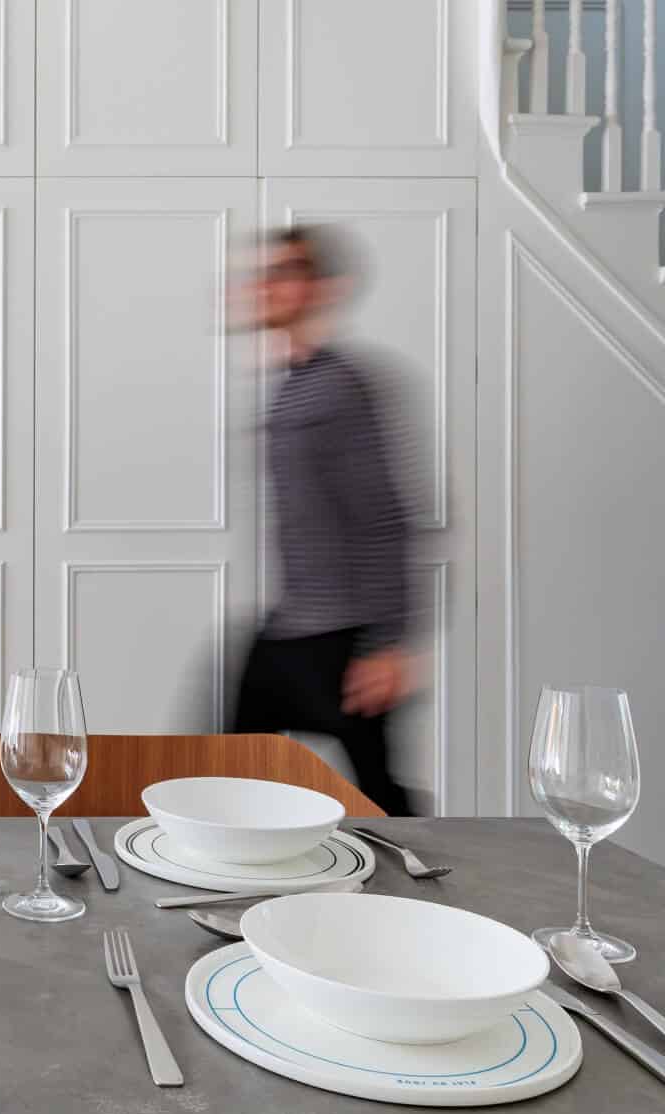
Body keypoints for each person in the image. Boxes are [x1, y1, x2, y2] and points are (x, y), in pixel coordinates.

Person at [231, 226, 415, 817]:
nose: (264, 287)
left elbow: (384, 516)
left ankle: (426, 887)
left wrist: (385, 645)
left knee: (382, 801)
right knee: (230, 770)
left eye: (282, 273)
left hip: (341, 638)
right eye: (263, 274)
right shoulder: (296, 383)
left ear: (323, 288)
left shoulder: (340, 388)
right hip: (296, 626)